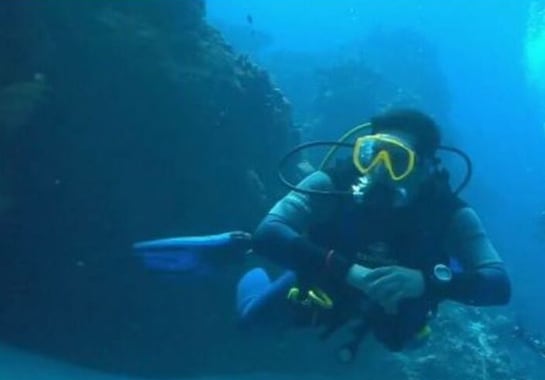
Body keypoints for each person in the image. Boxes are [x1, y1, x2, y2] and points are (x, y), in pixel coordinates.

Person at [134, 109, 511, 360]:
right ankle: (239, 257)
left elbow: (499, 285)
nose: (379, 170)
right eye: (372, 153)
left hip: (400, 298)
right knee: (253, 322)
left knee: (406, 341)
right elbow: (270, 233)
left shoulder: (450, 213)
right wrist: (350, 272)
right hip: (326, 280)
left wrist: (427, 284)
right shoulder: (332, 183)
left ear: (426, 167)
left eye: (397, 160)